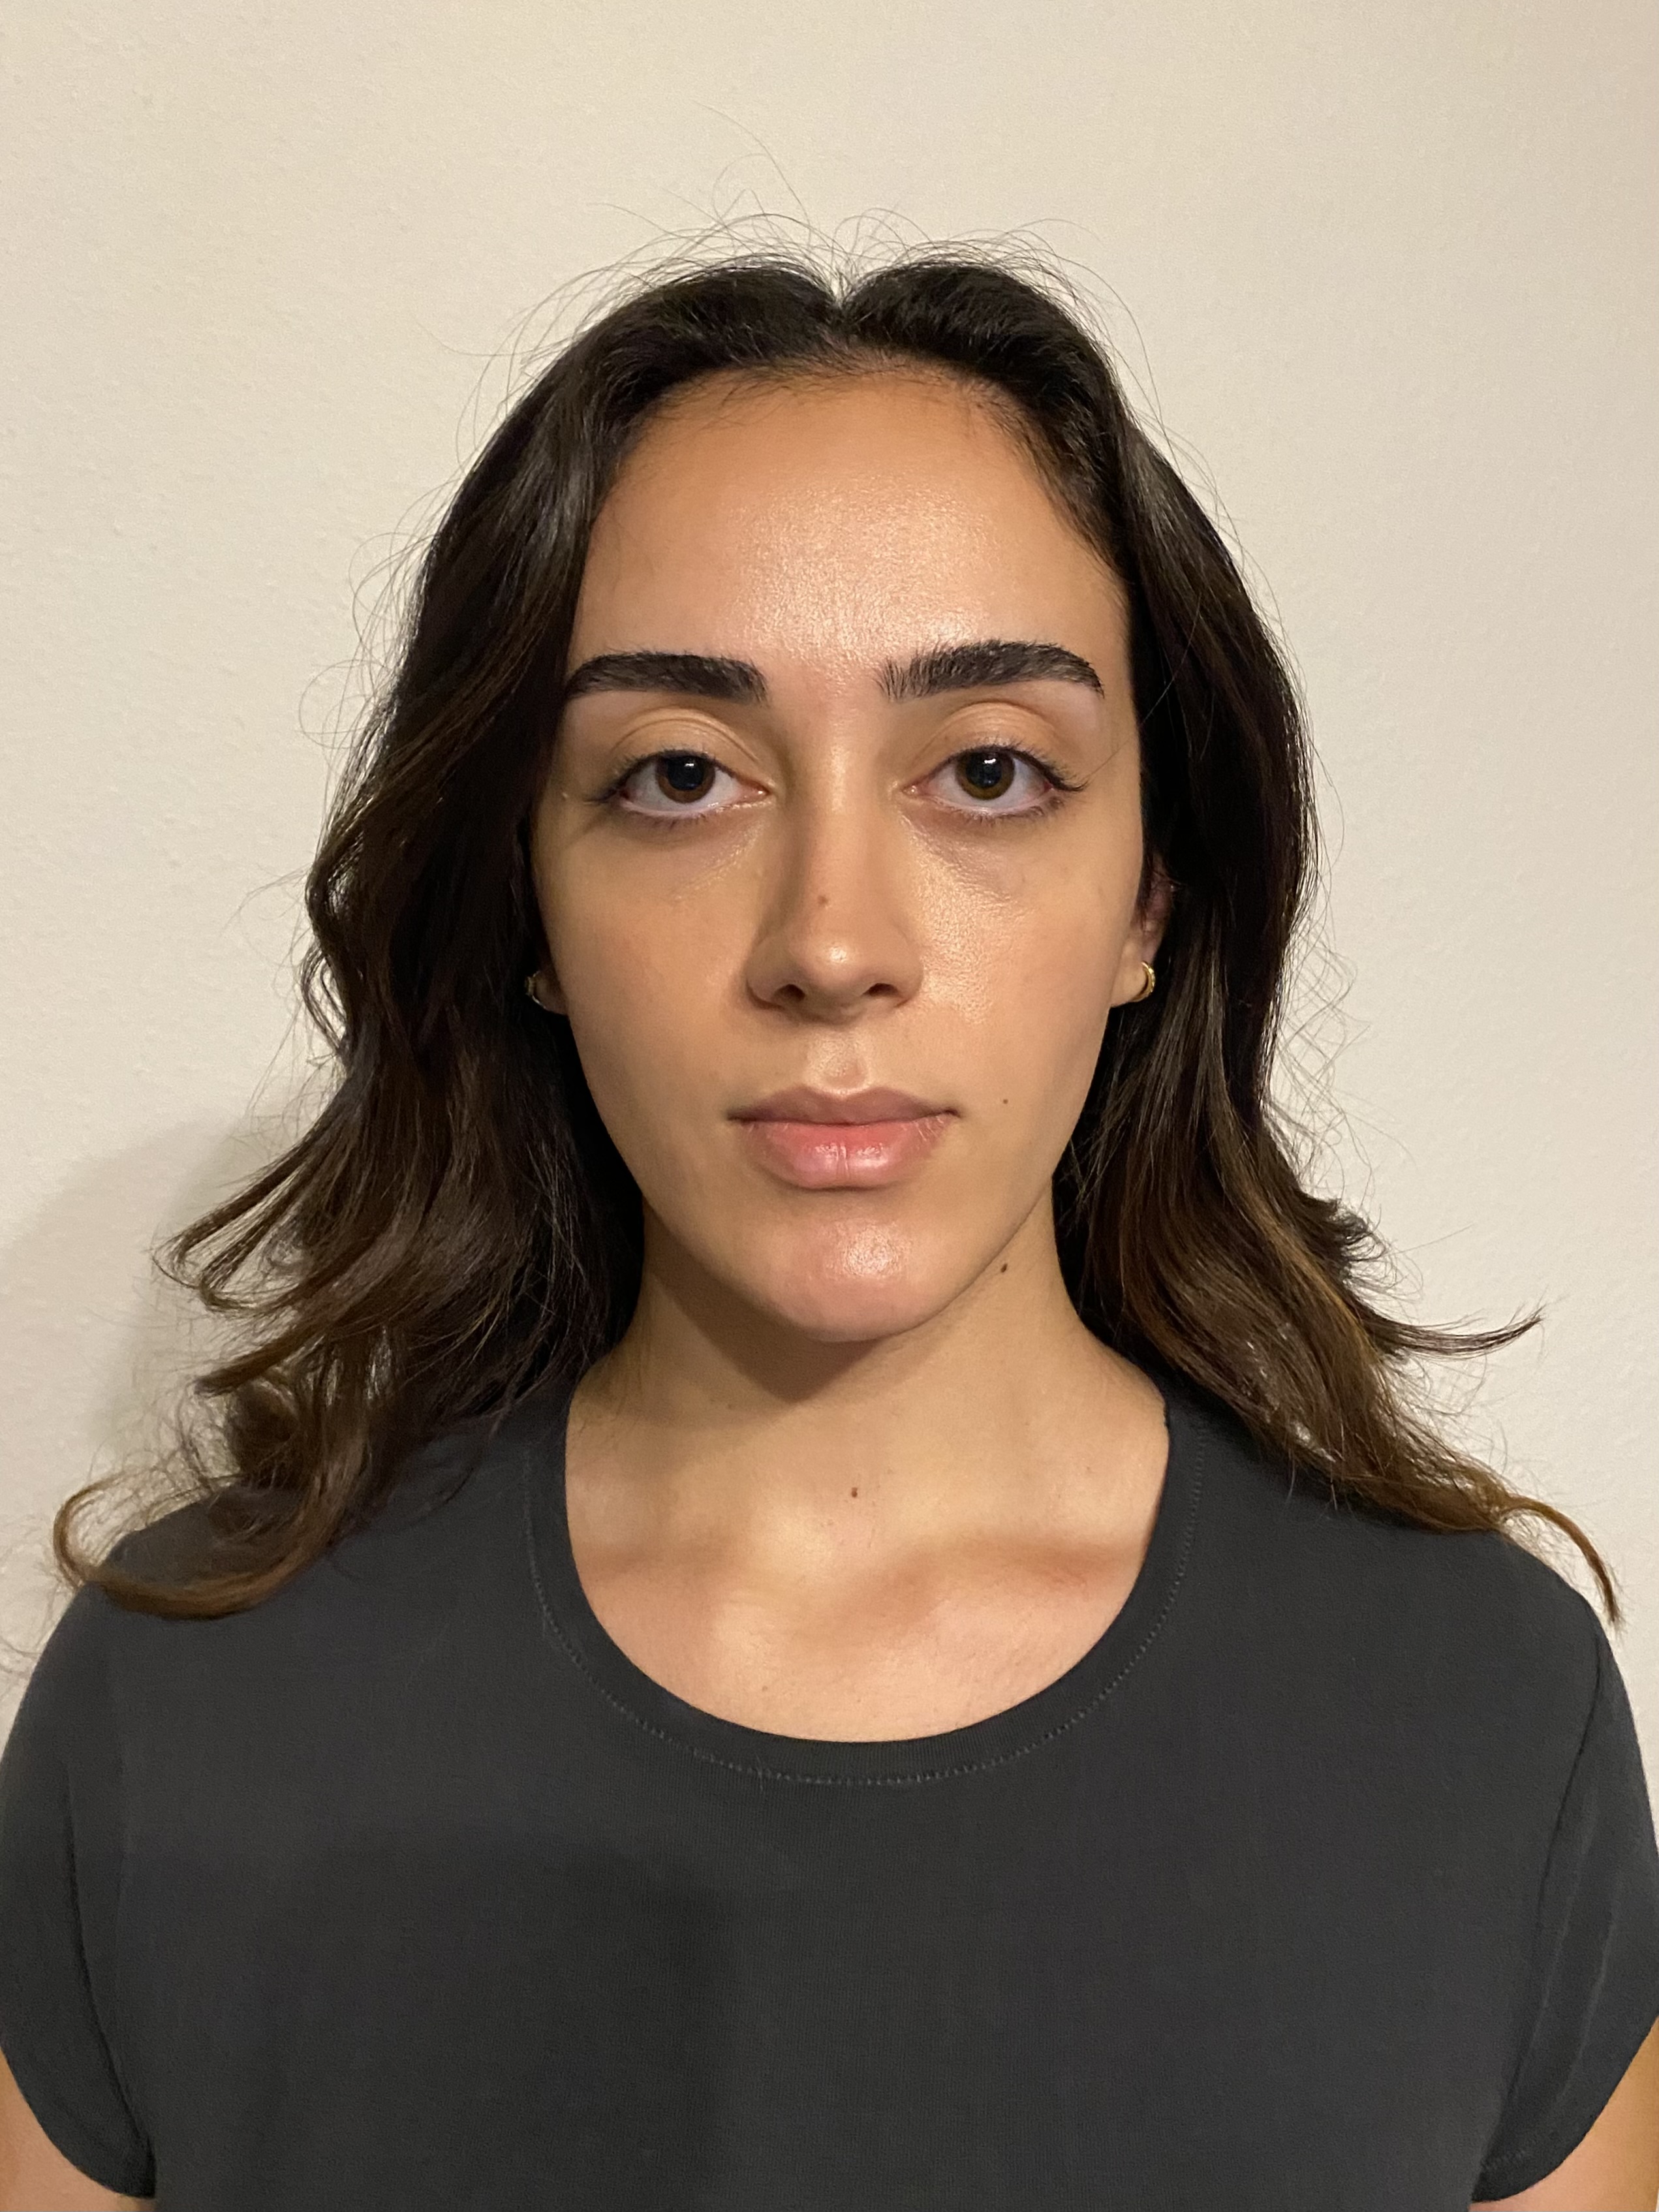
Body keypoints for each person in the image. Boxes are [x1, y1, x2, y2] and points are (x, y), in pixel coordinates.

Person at [1, 249, 1655, 2212]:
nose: (833, 943)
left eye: (989, 773)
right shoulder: (183, 1717)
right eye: (680, 778)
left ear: (1152, 897)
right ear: (528, 904)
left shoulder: (1478, 1720)